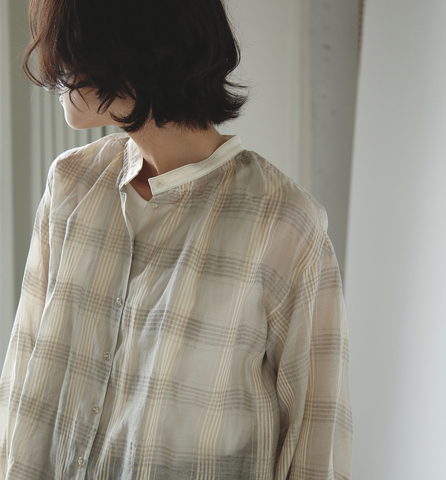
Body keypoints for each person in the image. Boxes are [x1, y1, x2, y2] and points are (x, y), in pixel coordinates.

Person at [0, 0, 352, 478]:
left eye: (71, 48)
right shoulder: (71, 184)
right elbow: (22, 382)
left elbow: (316, 440)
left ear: (129, 49)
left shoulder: (283, 224)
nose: (56, 67)